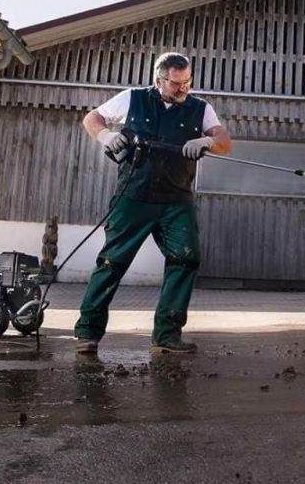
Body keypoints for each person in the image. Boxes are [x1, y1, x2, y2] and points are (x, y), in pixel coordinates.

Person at [73, 52, 231, 355]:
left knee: (186, 259)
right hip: (134, 196)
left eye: (187, 82)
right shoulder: (132, 99)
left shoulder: (201, 108)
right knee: (111, 263)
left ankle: (167, 335)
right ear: (158, 80)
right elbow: (92, 118)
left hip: (176, 199)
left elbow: (224, 140)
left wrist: (208, 141)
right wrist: (104, 135)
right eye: (176, 83)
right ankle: (87, 333)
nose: (183, 89)